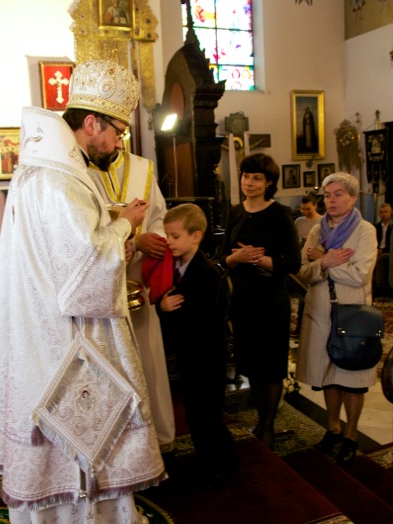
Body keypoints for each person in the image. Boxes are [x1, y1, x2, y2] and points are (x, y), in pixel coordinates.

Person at [0, 59, 166, 524]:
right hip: (67, 335)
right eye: (118, 130)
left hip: (38, 326)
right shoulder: (60, 179)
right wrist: (125, 225)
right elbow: (85, 273)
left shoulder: (44, 169)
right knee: (82, 427)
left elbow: (68, 246)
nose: (119, 142)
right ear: (92, 122)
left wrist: (109, 221)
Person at [90, 139, 176, 455]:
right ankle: (117, 444)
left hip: (138, 282)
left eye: (119, 133)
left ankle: (156, 437)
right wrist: (133, 242)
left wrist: (154, 238)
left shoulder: (142, 168)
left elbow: (160, 218)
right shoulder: (77, 169)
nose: (115, 140)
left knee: (147, 360)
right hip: (99, 287)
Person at [219, 153, 301, 449]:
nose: (249, 182)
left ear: (269, 183)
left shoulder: (280, 213)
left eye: (257, 178)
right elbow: (223, 257)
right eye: (246, 176)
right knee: (252, 363)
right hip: (243, 299)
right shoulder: (235, 212)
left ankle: (267, 426)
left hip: (271, 300)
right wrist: (237, 257)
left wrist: (258, 259)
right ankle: (261, 419)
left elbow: (293, 263)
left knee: (271, 364)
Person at [297, 172, 378, 465]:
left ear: (353, 198)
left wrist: (324, 260)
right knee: (328, 375)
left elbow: (359, 275)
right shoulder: (316, 231)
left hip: (352, 314)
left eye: (338, 194)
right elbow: (303, 272)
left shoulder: (365, 231)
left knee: (352, 378)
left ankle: (351, 435)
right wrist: (325, 263)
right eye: (327, 195)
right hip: (320, 313)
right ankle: (332, 428)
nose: (331, 200)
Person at [158, 204, 237, 489]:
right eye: (167, 235)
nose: (169, 242)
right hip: (190, 354)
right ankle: (205, 459)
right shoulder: (176, 266)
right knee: (194, 412)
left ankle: (223, 464)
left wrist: (167, 309)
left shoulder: (207, 273)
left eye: (175, 236)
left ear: (196, 236)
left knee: (209, 413)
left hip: (208, 356)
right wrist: (161, 306)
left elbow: (204, 319)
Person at [373, 202, 393, 295]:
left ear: (390, 213)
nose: (383, 214)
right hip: (375, 251)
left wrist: (382, 250)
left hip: (388, 252)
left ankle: (380, 287)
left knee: (382, 258)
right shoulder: (375, 227)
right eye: (381, 212)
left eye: (386, 212)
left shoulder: (392, 227)